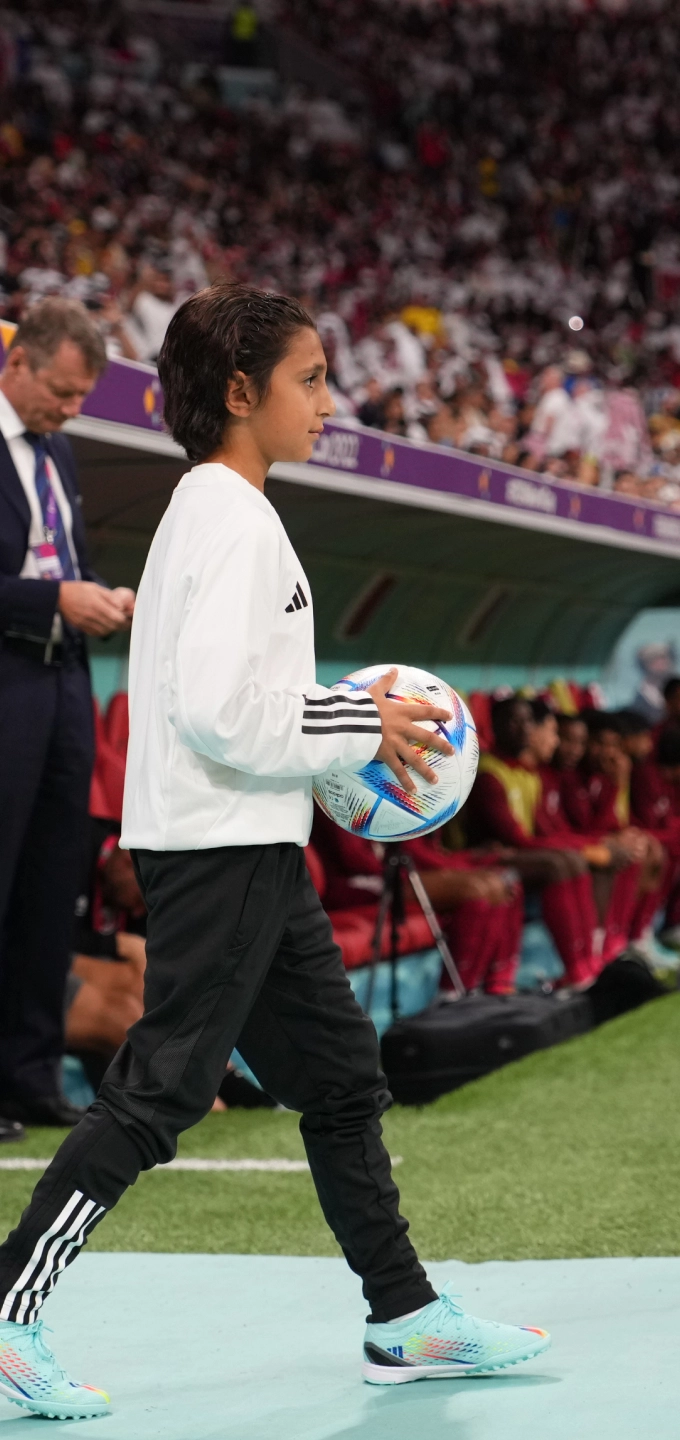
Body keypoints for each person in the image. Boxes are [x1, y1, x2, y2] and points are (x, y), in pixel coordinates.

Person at [0, 284, 550, 1419]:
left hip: (249, 845)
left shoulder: (217, 509)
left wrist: (335, 726)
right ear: (241, 394)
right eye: (308, 378)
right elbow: (222, 712)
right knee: (158, 1095)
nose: (326, 400)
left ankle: (402, 1318)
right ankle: (7, 1313)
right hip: (219, 849)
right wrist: (364, 722)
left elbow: (234, 705)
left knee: (343, 1081)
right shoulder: (229, 518)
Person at [0, 298, 135, 1128]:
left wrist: (98, 599)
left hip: (61, 688)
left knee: (50, 887)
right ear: (16, 364)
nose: (72, 409)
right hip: (7, 684)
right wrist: (57, 598)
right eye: (62, 391)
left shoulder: (59, 456)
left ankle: (32, 1073)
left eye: (82, 396)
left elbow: (65, 563)